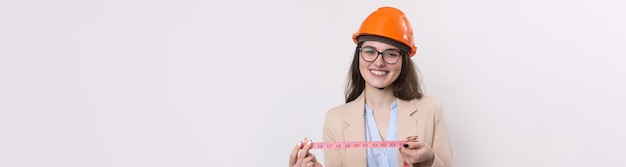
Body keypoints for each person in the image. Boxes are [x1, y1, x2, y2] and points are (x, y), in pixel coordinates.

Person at [289, 6, 453, 167]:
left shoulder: (431, 109)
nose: (379, 62)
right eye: (369, 51)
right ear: (358, 55)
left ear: (403, 61)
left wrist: (430, 161)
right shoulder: (335, 120)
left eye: (391, 54)